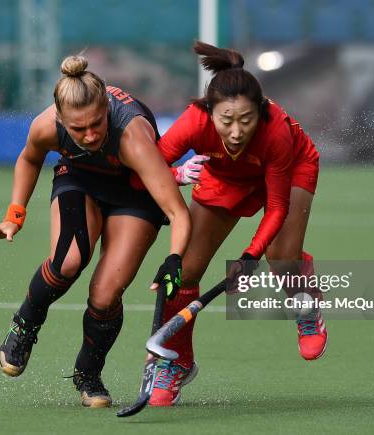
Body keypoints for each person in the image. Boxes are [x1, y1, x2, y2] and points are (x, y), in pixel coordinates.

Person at [0, 54, 191, 408]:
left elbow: (177, 211)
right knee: (68, 261)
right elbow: (29, 158)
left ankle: (88, 373)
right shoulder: (47, 125)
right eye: (79, 129)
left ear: (107, 109)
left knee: (105, 295)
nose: (90, 135)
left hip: (134, 192)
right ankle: (25, 326)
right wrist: (14, 216)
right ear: (61, 119)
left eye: (97, 124)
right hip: (80, 180)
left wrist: (174, 257)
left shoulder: (132, 137)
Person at [148, 41, 326, 407]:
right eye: (226, 121)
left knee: (281, 259)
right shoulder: (193, 122)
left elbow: (276, 207)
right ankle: (178, 362)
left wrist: (249, 256)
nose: (235, 132)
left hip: (287, 168)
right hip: (227, 175)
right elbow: (150, 167)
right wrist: (178, 172)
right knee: (188, 271)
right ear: (208, 112)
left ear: (260, 113)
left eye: (246, 120)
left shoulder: (275, 133)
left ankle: (307, 303)